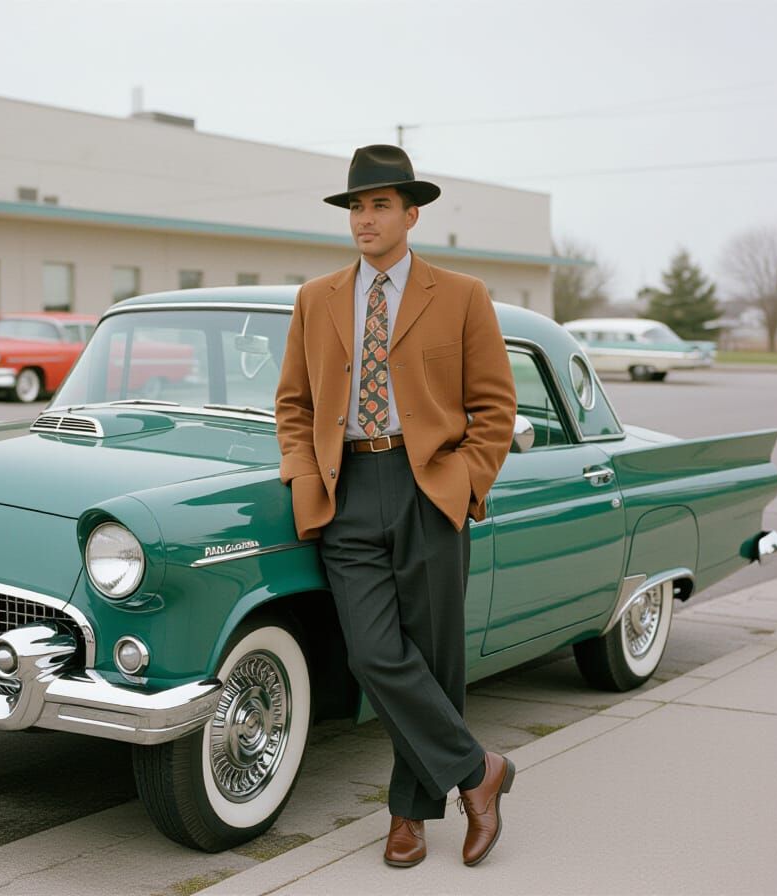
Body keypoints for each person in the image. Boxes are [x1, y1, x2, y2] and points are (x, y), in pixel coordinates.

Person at [274, 145, 518, 868]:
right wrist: (300, 472)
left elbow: (496, 408)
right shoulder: (315, 298)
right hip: (344, 491)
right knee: (375, 653)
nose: (365, 218)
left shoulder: (463, 294)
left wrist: (466, 479)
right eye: (356, 205)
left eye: (380, 204)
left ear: (413, 215)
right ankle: (478, 773)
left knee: (435, 660)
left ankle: (408, 815)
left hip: (428, 487)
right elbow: (292, 404)